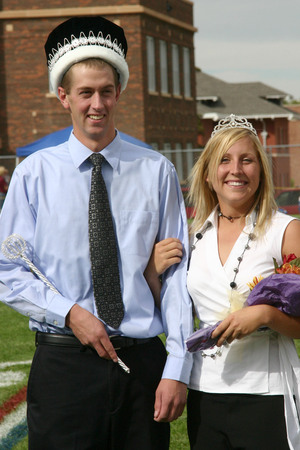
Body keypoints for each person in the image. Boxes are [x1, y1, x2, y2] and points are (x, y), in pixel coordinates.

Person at [0, 16, 193, 450]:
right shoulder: (33, 176)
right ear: (63, 96)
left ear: (119, 91)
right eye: (85, 92)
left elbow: (178, 275)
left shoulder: (156, 171)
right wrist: (70, 313)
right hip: (64, 365)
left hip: (141, 363)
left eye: (107, 91)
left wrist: (177, 364)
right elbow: (7, 270)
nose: (97, 104)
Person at [149, 114, 300, 449]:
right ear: (207, 174)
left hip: (268, 392)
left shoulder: (285, 231)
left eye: (247, 160)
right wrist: (151, 272)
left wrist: (264, 316)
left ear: (260, 171)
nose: (236, 170)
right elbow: (171, 313)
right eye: (224, 161)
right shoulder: (190, 237)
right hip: (205, 394)